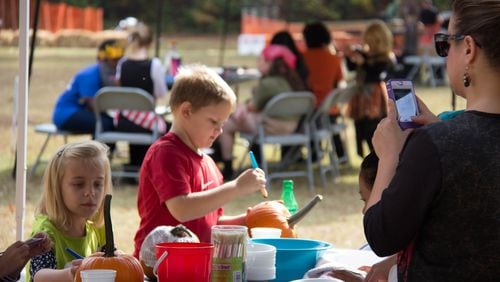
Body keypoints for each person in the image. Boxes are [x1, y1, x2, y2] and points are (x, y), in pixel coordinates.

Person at [364, 0, 500, 280]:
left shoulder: (438, 143)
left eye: (445, 43)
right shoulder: (444, 140)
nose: (444, 54)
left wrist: (390, 156)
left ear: (469, 49)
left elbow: (381, 235)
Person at [133, 65, 267, 258]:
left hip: (196, 266)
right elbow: (182, 209)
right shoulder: (166, 153)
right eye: (214, 122)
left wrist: (253, 219)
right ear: (186, 111)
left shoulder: (209, 163)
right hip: (161, 267)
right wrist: (236, 187)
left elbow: (212, 222)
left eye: (223, 124)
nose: (220, 130)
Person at [28, 140, 113, 282]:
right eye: (79, 184)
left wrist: (121, 258)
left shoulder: (97, 228)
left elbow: (113, 258)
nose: (90, 192)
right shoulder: (46, 232)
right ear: (57, 188)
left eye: (98, 184)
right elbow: (38, 275)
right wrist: (69, 274)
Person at [218, 45, 306, 179]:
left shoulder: (267, 83)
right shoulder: (293, 82)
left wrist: (242, 108)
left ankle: (228, 167)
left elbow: (253, 106)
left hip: (271, 128)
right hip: (292, 127)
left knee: (227, 124)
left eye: (261, 60)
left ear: (271, 63)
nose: (258, 63)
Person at [116, 22, 168, 171]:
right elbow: (161, 93)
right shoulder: (154, 65)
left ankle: (134, 164)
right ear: (150, 42)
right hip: (146, 124)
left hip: (124, 122)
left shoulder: (122, 63)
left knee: (138, 114)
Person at [52, 39, 124, 136]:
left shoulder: (108, 74)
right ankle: (100, 151)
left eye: (121, 59)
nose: (118, 63)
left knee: (111, 122)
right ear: (103, 59)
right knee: (107, 124)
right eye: (115, 60)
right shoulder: (90, 74)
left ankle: (106, 150)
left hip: (81, 111)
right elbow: (93, 105)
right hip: (68, 114)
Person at [345, 19, 395, 158]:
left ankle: (376, 156)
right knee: (360, 125)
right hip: (361, 97)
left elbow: (377, 74)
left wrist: (364, 63)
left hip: (375, 98)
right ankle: (365, 154)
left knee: (373, 127)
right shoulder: (366, 55)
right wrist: (351, 56)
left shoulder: (387, 58)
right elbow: (352, 67)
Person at [302, 21, 347, 162]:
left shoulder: (302, 59)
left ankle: (314, 155)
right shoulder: (334, 59)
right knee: (332, 124)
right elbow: (339, 82)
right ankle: (341, 155)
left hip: (308, 110)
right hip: (330, 109)